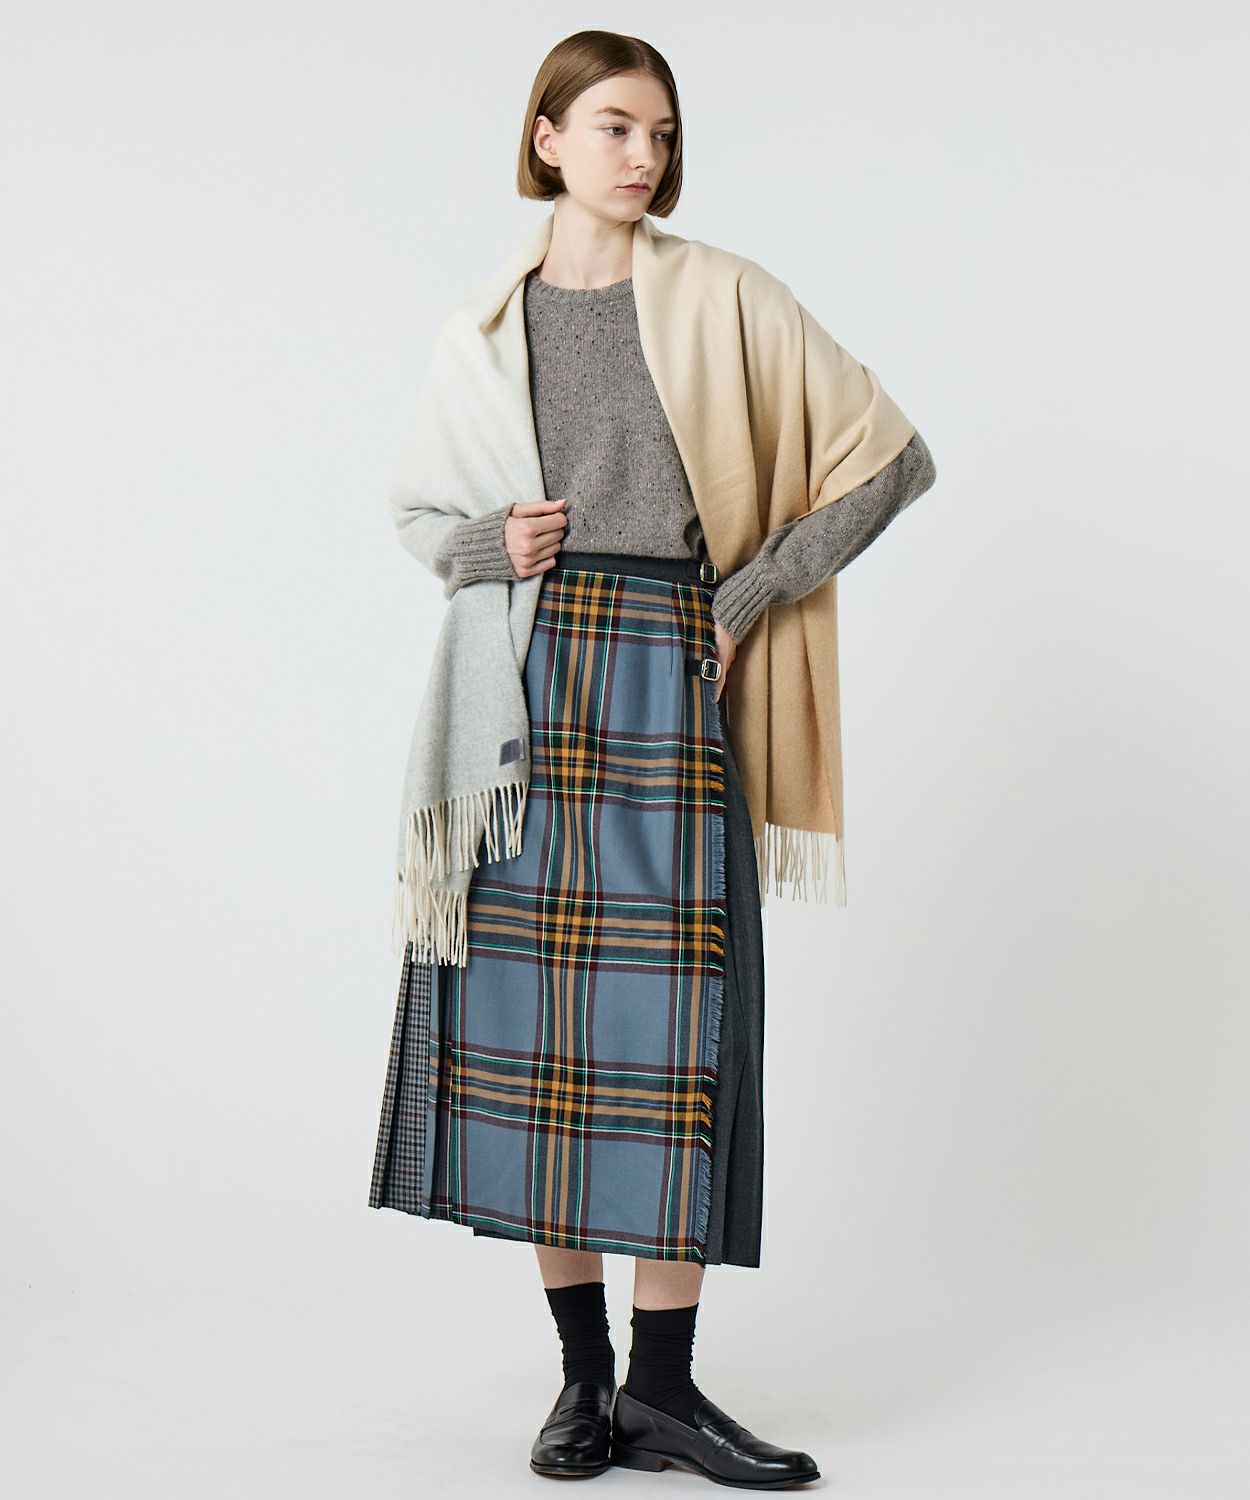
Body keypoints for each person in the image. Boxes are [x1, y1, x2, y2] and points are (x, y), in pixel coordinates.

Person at [370, 29, 936, 1489]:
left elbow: (892, 457)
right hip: (522, 692)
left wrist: (746, 597)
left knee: (671, 1036)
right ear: (547, 138)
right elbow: (421, 520)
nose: (644, 156)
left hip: (671, 673)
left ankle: (665, 1390)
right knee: (535, 1038)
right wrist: (486, 544)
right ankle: (584, 1384)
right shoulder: (482, 331)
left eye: (662, 133)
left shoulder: (724, 295)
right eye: (616, 126)